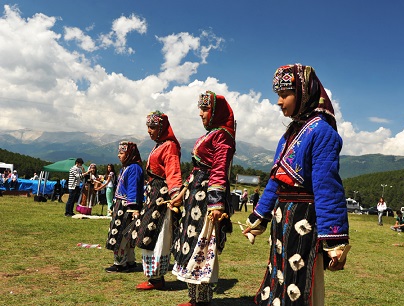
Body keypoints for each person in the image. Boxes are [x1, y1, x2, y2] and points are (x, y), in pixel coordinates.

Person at [243, 64, 350, 306]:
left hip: (305, 222)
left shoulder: (322, 132)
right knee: (278, 277)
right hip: (283, 220)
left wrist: (334, 241)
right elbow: (276, 180)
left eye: (284, 95)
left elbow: (327, 188)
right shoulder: (291, 132)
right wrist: (258, 217)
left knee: (298, 283)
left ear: (304, 94)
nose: (279, 102)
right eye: (278, 96)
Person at [170, 91, 235, 306]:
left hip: (207, 200)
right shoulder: (209, 135)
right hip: (194, 199)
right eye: (201, 109)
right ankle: (193, 298)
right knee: (190, 244)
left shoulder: (222, 136)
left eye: (205, 109)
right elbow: (196, 170)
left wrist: (216, 203)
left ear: (216, 112)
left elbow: (219, 169)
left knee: (203, 247)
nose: (200, 114)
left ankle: (202, 300)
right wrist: (181, 193)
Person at [134, 111, 183, 290]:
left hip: (162, 196)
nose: (149, 130)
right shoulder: (159, 145)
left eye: (153, 127)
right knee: (149, 232)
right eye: (148, 126)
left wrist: (175, 194)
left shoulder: (169, 146)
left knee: (158, 233)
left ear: (162, 128)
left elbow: (173, 170)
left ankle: (157, 278)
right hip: (154, 194)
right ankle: (153, 277)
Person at [105, 141, 144, 273]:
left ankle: (120, 263)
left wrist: (132, 207)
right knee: (127, 234)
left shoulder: (133, 168)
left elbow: (133, 188)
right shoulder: (126, 167)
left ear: (129, 154)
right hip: (123, 204)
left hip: (126, 206)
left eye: (121, 153)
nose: (118, 155)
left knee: (122, 234)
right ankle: (129, 260)